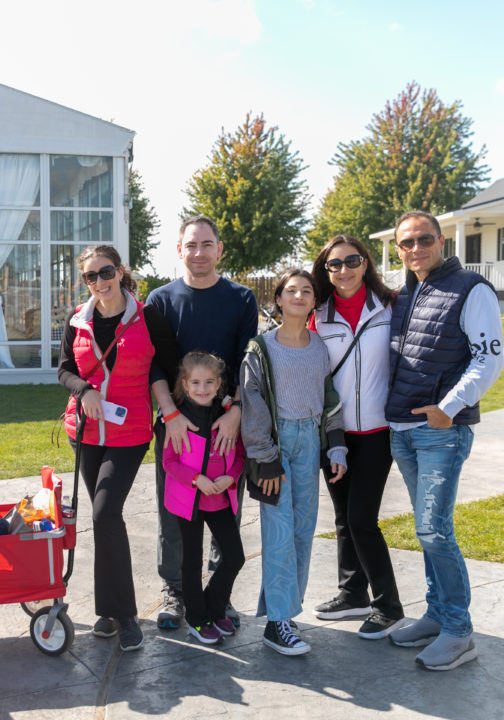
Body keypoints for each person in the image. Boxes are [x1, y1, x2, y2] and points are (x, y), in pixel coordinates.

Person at [385, 211, 503, 671]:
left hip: (440, 432)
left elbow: (488, 359)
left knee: (435, 531)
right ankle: (436, 614)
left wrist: (448, 409)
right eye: (406, 242)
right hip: (403, 432)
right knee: (425, 531)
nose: (416, 248)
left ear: (440, 241)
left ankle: (458, 630)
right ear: (398, 248)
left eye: (424, 239)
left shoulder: (471, 289)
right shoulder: (408, 292)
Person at [58, 245, 179, 652]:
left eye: (105, 272)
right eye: (90, 276)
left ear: (120, 271)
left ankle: (124, 616)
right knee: (104, 520)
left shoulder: (146, 317)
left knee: (106, 511)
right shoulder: (78, 318)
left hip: (128, 435)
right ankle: (109, 613)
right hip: (87, 433)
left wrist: (169, 407)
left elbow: (167, 363)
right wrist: (85, 389)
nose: (99, 282)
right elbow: (64, 369)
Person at [147, 215, 258, 631]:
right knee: (175, 512)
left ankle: (217, 595)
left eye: (206, 244)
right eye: (191, 245)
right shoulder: (160, 300)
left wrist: (236, 413)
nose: (199, 253)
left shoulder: (241, 299)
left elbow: (250, 362)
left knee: (222, 507)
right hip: (177, 422)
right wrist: (170, 415)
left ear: (219, 249)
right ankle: (176, 591)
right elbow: (154, 365)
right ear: (179, 250)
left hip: (226, 419)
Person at [240, 269, 347, 655]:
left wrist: (336, 446)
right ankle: (278, 623)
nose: (299, 295)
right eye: (290, 290)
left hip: (309, 444)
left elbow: (330, 398)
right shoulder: (260, 349)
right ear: (279, 301)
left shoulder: (320, 347)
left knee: (302, 533)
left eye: (306, 290)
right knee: (279, 533)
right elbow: (251, 404)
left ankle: (283, 615)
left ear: (314, 301)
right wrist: (266, 459)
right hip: (276, 447)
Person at [309, 235, 405, 639]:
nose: (344, 270)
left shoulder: (392, 307)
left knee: (362, 518)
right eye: (335, 264)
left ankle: (389, 606)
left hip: (379, 432)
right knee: (344, 517)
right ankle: (353, 594)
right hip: (335, 433)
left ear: (366, 263)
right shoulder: (318, 315)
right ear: (326, 271)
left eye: (352, 261)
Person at [162, 352, 246, 644]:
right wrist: (197, 480)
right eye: (195, 382)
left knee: (235, 557)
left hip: (220, 499)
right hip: (190, 501)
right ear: (185, 384)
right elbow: (169, 463)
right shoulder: (178, 419)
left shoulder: (227, 418)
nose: (202, 388)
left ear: (219, 383)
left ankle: (214, 606)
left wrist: (231, 478)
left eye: (209, 382)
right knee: (192, 563)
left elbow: (240, 455)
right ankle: (197, 618)